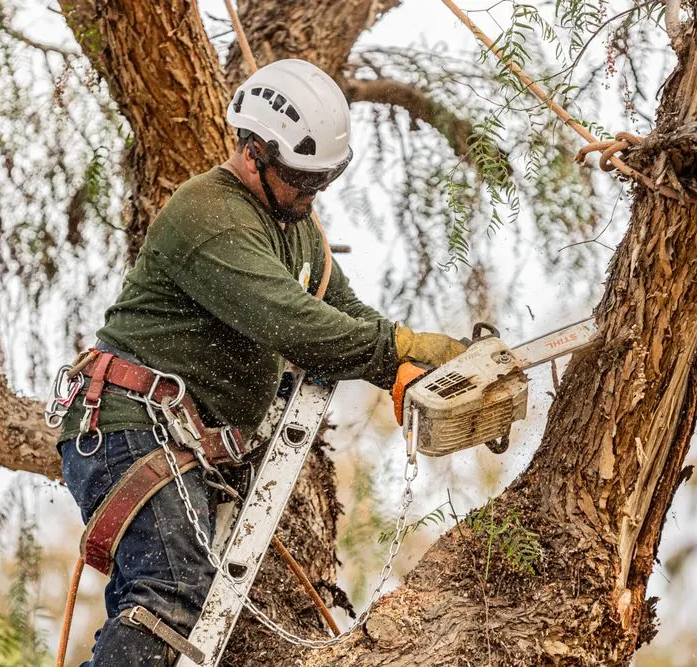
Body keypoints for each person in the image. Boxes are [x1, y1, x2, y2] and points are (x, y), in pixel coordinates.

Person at [54, 58, 466, 666]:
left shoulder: (294, 224)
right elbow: (295, 324)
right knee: (168, 598)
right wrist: (401, 347)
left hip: (183, 440)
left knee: (197, 616)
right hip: (130, 426)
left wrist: (396, 368)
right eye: (302, 178)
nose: (312, 193)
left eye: (322, 178)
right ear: (253, 152)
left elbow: (341, 310)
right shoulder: (209, 216)